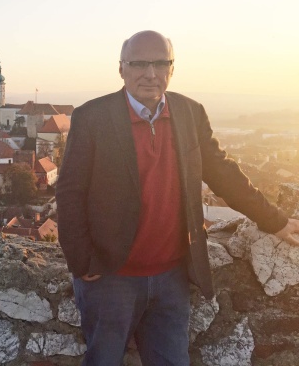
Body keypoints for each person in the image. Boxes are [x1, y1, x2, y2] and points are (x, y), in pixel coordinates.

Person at [56, 30, 299, 366]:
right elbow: (70, 192)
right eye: (139, 63)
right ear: (121, 68)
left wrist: (275, 220)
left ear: (172, 68)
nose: (150, 73)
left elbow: (223, 173)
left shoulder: (190, 113)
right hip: (112, 278)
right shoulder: (92, 117)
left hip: (172, 276)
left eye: (160, 63)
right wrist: (80, 259)